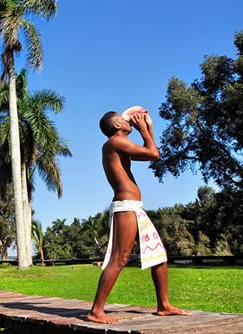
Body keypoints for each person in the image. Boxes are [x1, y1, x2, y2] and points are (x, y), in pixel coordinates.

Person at [87, 107, 191, 324]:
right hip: (125, 208)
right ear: (117, 126)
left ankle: (163, 305)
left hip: (135, 208)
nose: (129, 122)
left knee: (158, 255)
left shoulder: (119, 144)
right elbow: (154, 153)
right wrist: (143, 128)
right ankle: (96, 311)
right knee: (120, 258)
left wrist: (149, 128)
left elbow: (151, 153)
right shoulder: (114, 142)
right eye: (125, 120)